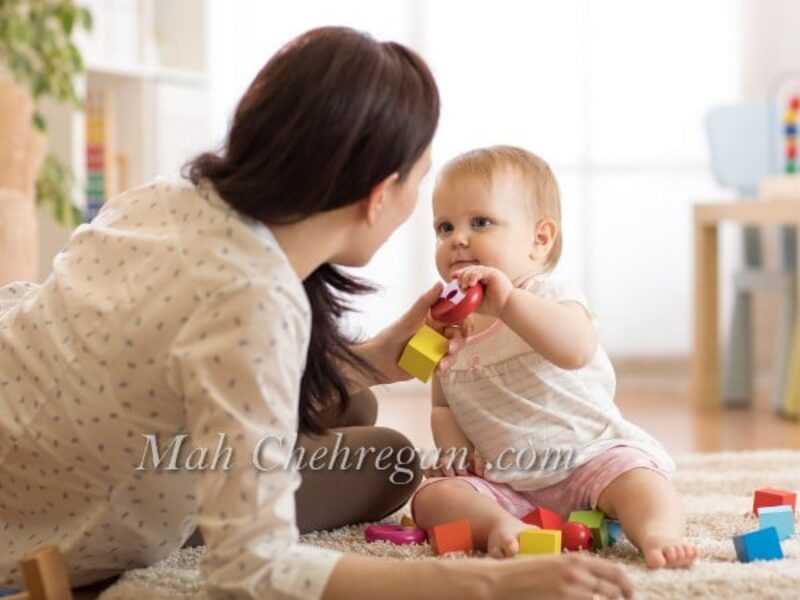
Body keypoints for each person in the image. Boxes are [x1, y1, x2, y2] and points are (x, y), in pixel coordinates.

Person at [0, 28, 634, 600]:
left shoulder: (167, 196)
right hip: (60, 520)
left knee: (355, 403)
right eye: (424, 189)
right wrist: (485, 585)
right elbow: (252, 572)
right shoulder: (254, 305)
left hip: (28, 408)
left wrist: (382, 356)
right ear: (379, 196)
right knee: (390, 462)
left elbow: (213, 357)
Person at [411, 145, 698, 570]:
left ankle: (658, 533)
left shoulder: (549, 295)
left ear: (539, 240)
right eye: (444, 227)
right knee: (433, 498)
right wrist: (458, 457)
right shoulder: (447, 325)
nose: (458, 239)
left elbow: (576, 349)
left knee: (640, 478)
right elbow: (442, 404)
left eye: (481, 222)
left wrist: (507, 304)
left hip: (589, 459)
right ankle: (503, 527)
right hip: (508, 481)